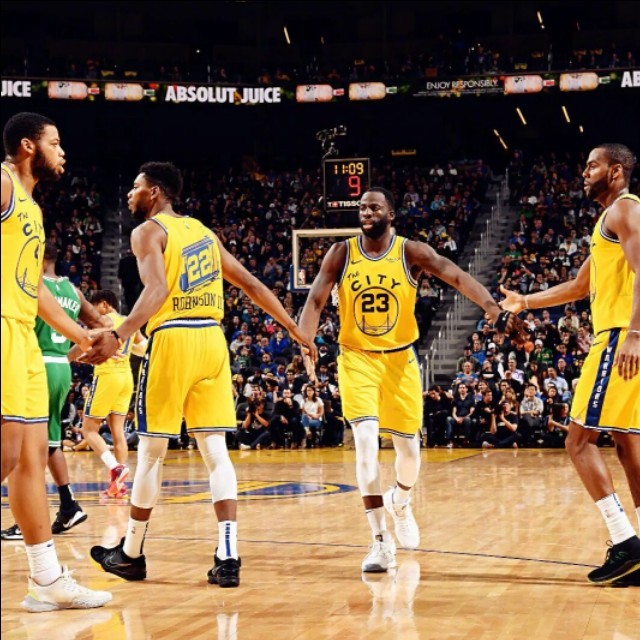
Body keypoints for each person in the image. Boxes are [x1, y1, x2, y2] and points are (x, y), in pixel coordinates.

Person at [86, 161, 312, 588]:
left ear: (154, 192)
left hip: (173, 339)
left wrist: (119, 334)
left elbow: (157, 290)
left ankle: (131, 553)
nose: (130, 194)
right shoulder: (205, 234)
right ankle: (228, 555)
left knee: (151, 453)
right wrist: (294, 328)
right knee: (216, 452)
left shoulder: (147, 231)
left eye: (135, 187)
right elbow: (252, 285)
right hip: (212, 341)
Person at [299, 186, 526, 573]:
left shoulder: (410, 252)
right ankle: (379, 541)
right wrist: (306, 340)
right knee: (365, 445)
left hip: (400, 360)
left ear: (391, 214)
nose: (366, 212)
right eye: (362, 207)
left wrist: (491, 308)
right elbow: (316, 301)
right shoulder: (341, 253)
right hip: (355, 358)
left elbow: (456, 276)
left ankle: (400, 502)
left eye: (374, 207)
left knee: (409, 454)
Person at [501, 143, 640, 585]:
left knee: (578, 441)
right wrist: (525, 301)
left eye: (592, 165)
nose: (584, 172)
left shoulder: (625, 209)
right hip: (623, 335)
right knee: (628, 443)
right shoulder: (608, 222)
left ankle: (625, 540)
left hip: (620, 336)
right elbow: (579, 286)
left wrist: (634, 334)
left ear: (615, 171)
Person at [1, 111, 111, 610]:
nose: (63, 151)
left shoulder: (32, 207)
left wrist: (81, 333)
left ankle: (45, 580)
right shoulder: (3, 182)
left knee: (30, 460)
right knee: (7, 454)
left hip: (23, 334)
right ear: (28, 146)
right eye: (55, 142)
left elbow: (36, 289)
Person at [1, 241, 111, 541]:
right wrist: (79, 350)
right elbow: (104, 323)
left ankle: (26, 520)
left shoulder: (31, 284)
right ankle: (67, 505)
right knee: (49, 442)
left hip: (33, 363)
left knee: (26, 449)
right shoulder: (72, 290)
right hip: (61, 366)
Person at [69, 289, 147, 498]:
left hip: (107, 376)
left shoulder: (104, 321)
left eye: (94, 308)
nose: (92, 314)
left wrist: (69, 358)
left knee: (88, 430)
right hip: (126, 378)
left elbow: (83, 344)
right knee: (118, 433)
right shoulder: (128, 322)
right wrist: (125, 349)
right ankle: (118, 487)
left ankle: (115, 467)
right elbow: (143, 347)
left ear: (104, 304)